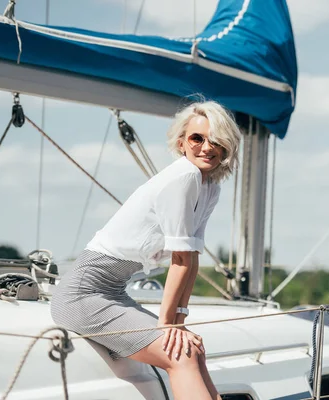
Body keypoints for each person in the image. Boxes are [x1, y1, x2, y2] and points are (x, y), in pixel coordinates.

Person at [51, 100, 241, 399]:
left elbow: (191, 258)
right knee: (180, 354)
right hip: (81, 295)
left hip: (113, 290)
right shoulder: (184, 176)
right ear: (182, 144)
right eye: (197, 138)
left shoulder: (209, 186)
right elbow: (180, 258)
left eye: (216, 140)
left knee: (191, 348)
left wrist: (179, 319)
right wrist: (168, 325)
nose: (207, 147)